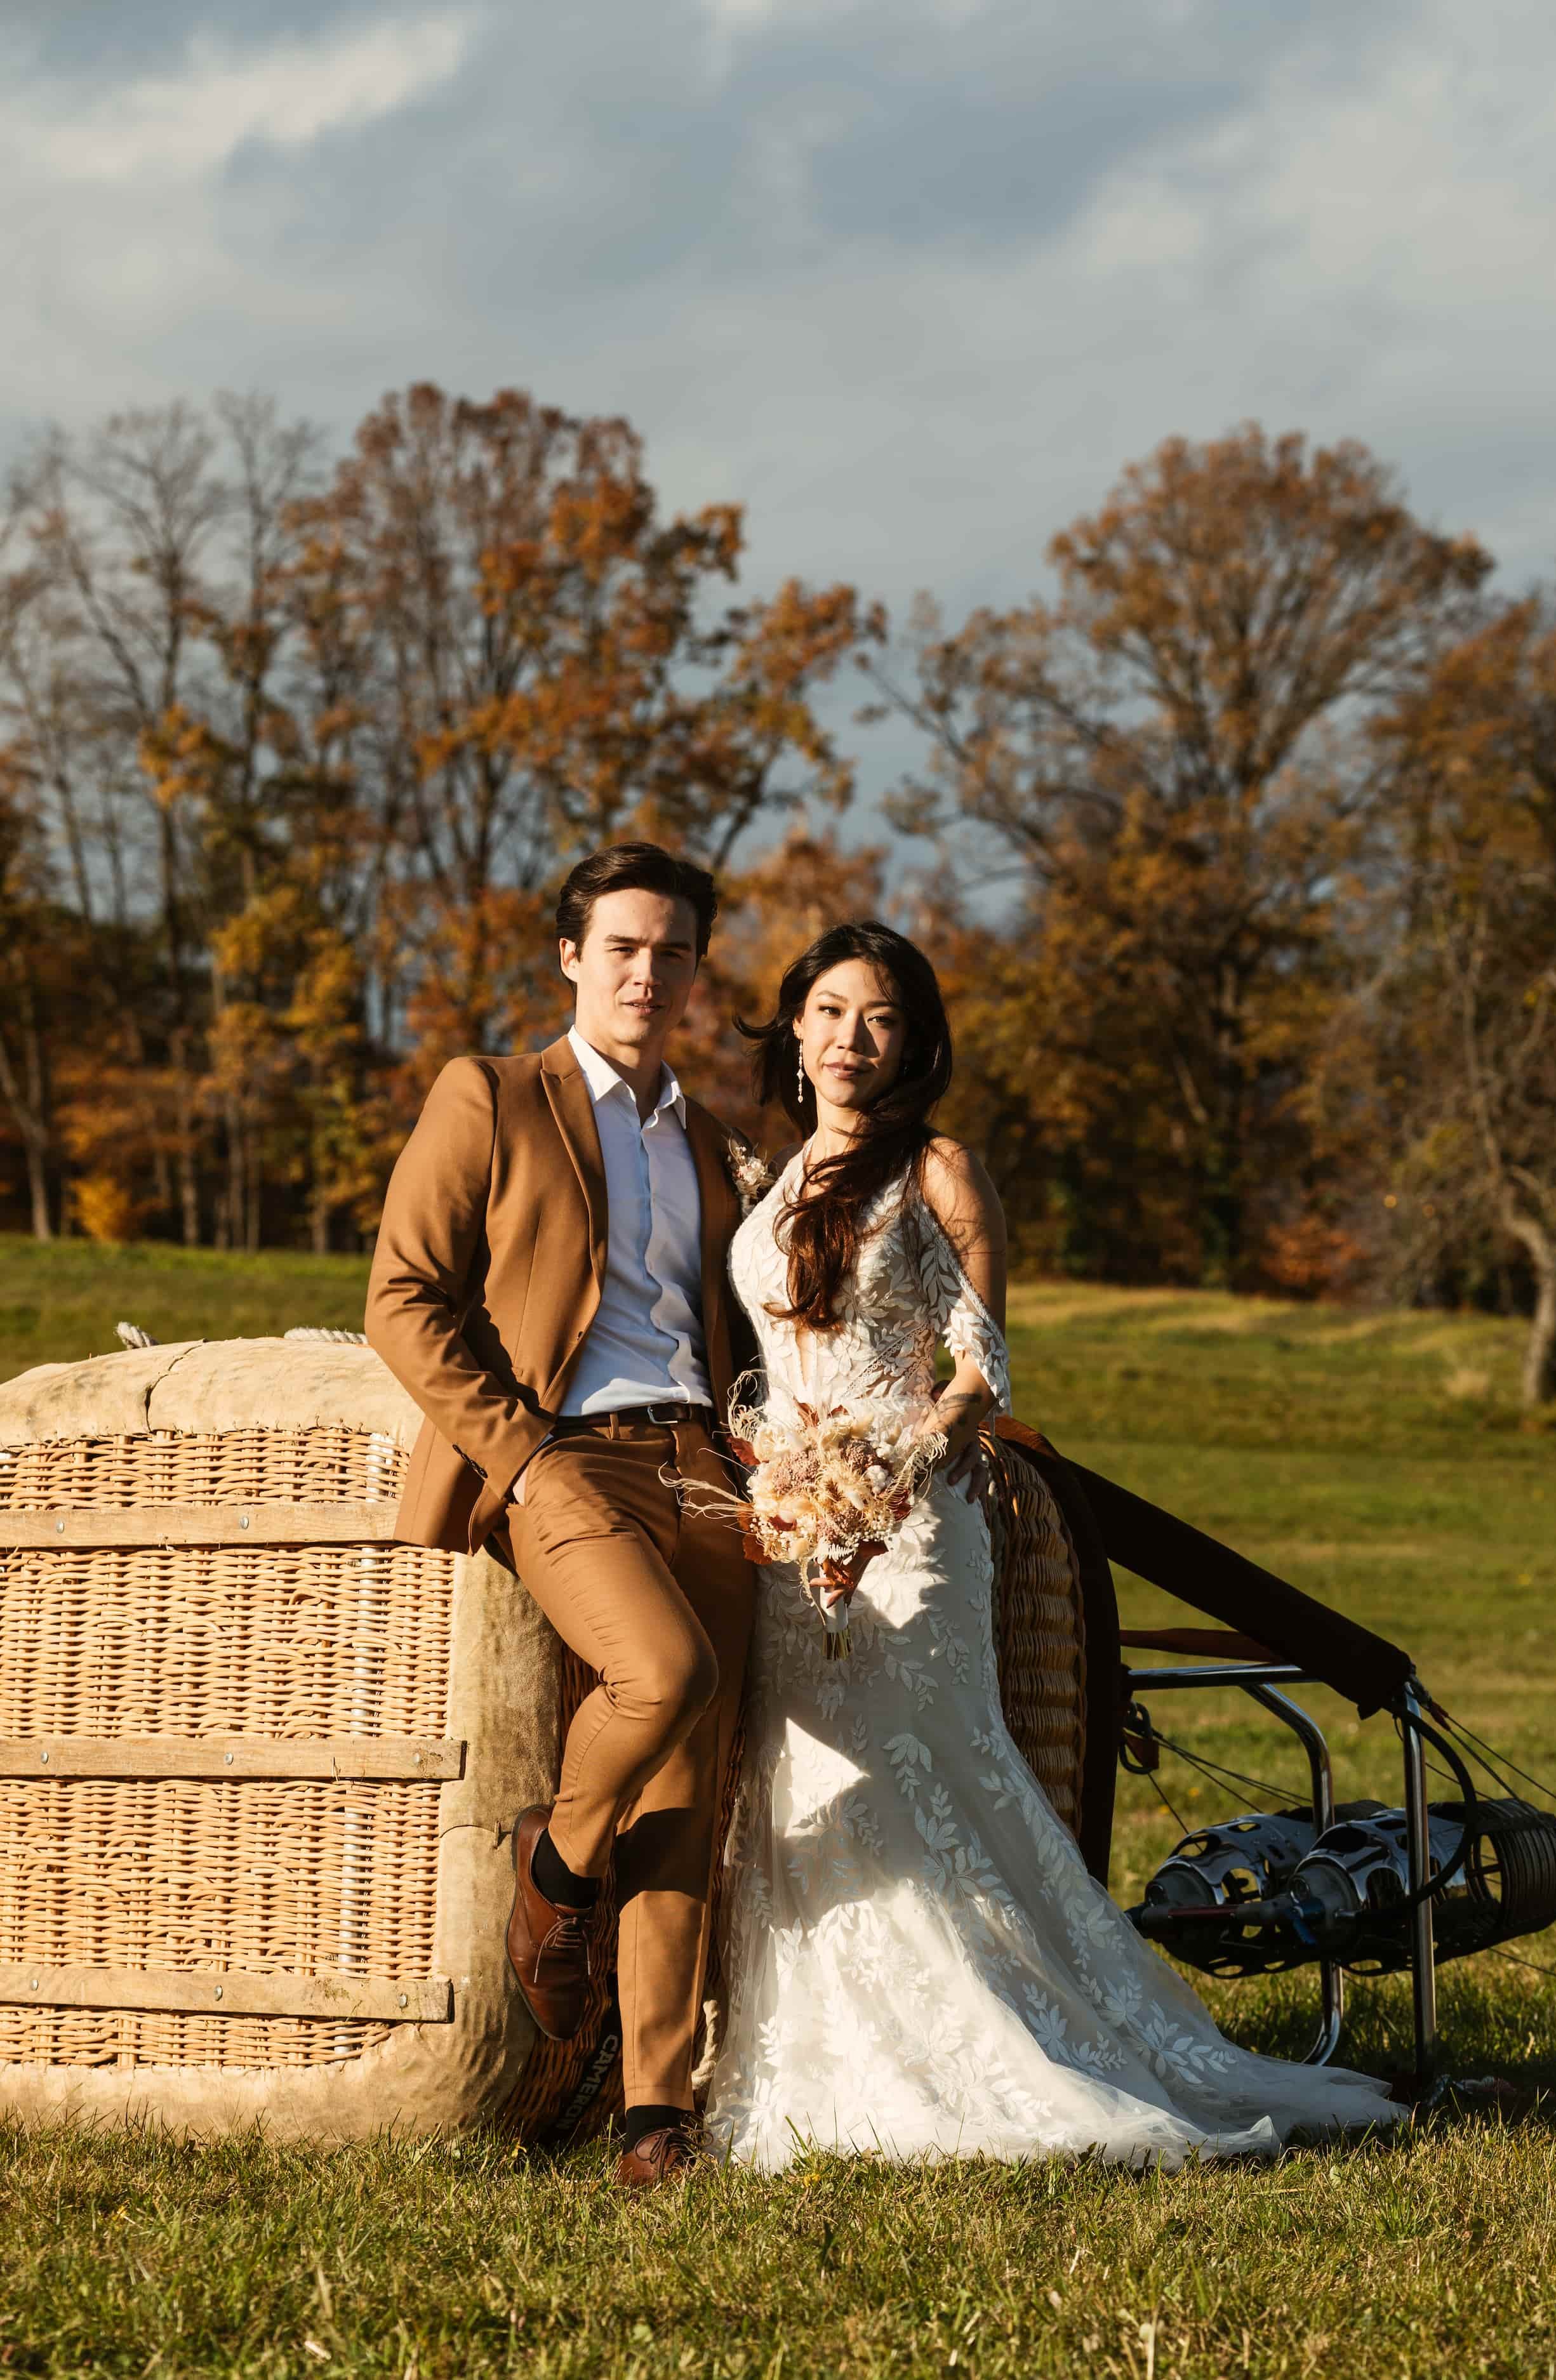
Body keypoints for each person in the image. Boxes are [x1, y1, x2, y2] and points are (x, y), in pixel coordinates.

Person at [706, 919, 1399, 2168]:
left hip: (908, 1528)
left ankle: (1007, 2057)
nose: (849, 1041)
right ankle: (814, 2066)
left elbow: (981, 1368)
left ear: (913, 1044)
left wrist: (888, 1473)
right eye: (826, 1012)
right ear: (792, 1028)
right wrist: (783, 1483)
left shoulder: (938, 1171)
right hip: (787, 1534)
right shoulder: (767, 1182)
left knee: (935, 1789)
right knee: (807, 1788)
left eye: (879, 1020)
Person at [365, 843, 753, 2192]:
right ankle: (559, 1862)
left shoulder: (708, 1140)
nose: (650, 973)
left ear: (697, 972)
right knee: (666, 1674)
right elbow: (402, 1297)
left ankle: (655, 2117)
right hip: (564, 1458)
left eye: (675, 952)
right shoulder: (492, 1094)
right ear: (571, 956)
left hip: (706, 1467)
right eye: (626, 947)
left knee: (692, 1792)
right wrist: (520, 1456)